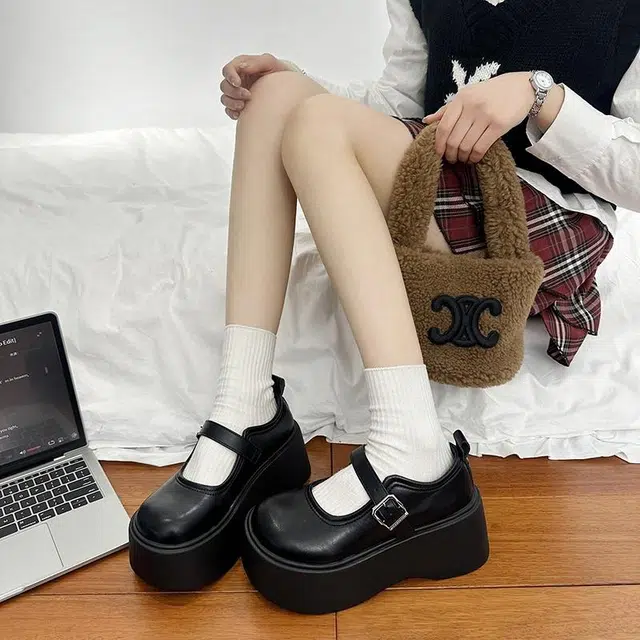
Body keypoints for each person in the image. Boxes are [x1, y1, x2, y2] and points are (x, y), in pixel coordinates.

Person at [129, 0, 640, 612]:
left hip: (544, 225)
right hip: (440, 181)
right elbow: (398, 106)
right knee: (277, 97)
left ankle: (413, 450)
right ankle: (247, 407)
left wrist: (540, 98)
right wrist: (296, 84)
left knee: (317, 123)